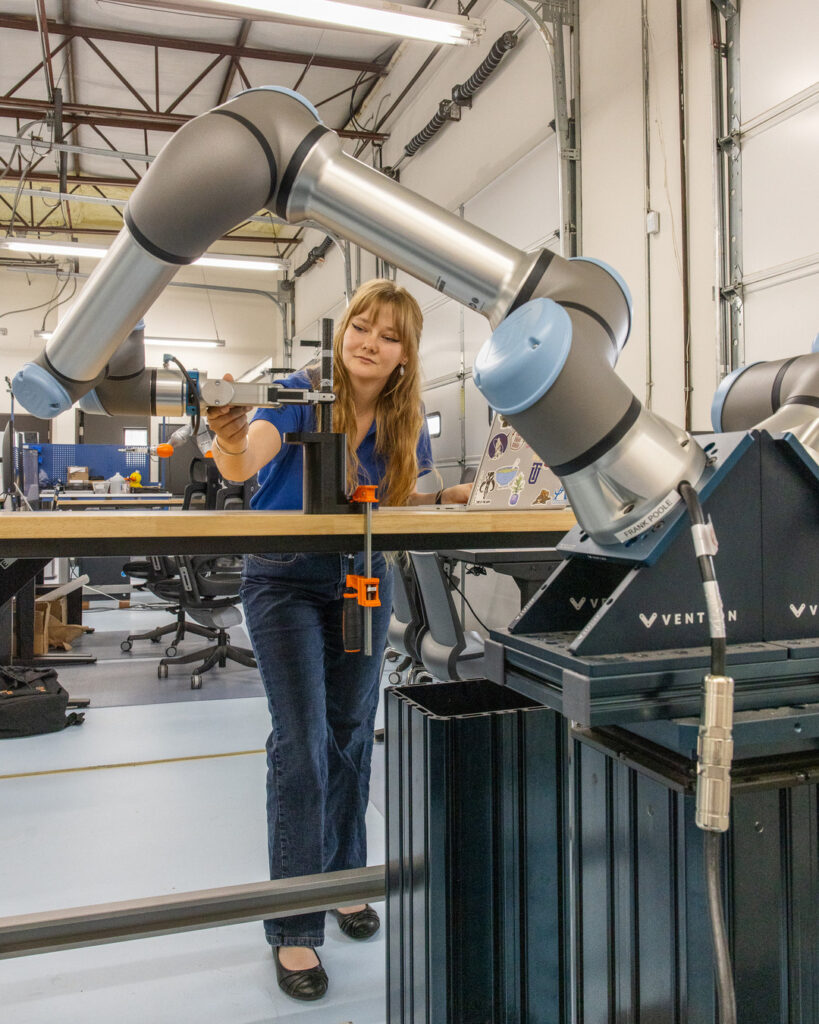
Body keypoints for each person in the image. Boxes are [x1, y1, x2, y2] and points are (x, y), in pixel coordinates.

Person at [206, 279, 471, 1002]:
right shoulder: (298, 393)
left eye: (388, 336)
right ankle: (292, 929)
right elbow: (243, 462)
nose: (368, 341)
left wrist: (439, 497)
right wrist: (229, 435)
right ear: (342, 330)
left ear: (404, 356)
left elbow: (381, 499)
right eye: (361, 325)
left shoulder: (401, 419)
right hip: (284, 580)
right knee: (302, 746)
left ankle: (344, 879)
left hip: (361, 574)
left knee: (353, 734)